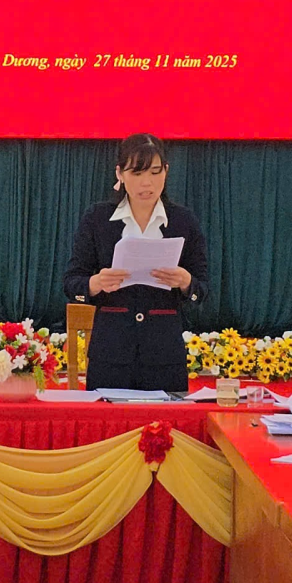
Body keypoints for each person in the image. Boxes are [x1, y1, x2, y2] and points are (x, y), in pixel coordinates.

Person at [63, 133, 208, 392]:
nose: (147, 183)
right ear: (120, 174)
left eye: (155, 172)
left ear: (166, 171)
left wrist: (186, 282)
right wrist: (96, 283)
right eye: (137, 173)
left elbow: (203, 288)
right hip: (111, 355)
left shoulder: (183, 221)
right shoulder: (97, 218)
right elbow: (72, 283)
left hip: (164, 356)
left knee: (167, 417)